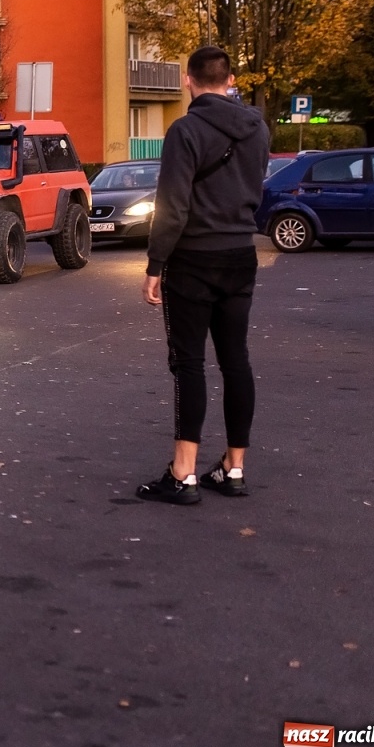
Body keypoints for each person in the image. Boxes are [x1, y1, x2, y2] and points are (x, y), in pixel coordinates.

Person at [137, 45, 271, 505]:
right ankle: (234, 468)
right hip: (240, 255)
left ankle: (183, 474)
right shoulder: (258, 129)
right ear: (230, 81)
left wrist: (155, 265)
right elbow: (255, 186)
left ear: (188, 80)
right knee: (236, 361)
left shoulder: (185, 130)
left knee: (189, 363)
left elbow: (173, 207)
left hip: (193, 259)